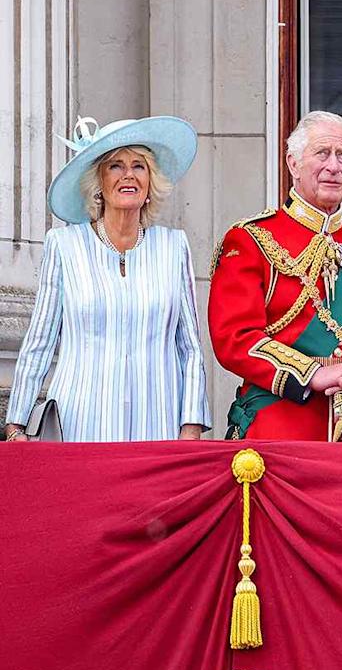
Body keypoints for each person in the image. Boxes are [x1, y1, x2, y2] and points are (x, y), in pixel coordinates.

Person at [208, 111, 342, 441]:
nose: (333, 167)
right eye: (322, 153)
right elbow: (235, 338)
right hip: (277, 431)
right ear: (293, 164)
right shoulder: (252, 239)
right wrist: (313, 374)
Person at [4, 116, 210, 442]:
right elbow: (39, 342)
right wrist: (16, 424)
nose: (128, 174)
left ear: (150, 183)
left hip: (158, 423)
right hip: (81, 423)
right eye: (115, 165)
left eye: (138, 166)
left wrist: (191, 424)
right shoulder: (65, 246)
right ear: (98, 182)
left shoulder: (174, 247)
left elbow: (190, 347)